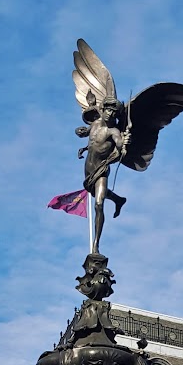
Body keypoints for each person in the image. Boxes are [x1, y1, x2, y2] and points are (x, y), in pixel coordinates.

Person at [81, 96, 130, 253]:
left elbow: (120, 146)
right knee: (95, 192)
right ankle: (118, 199)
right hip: (88, 168)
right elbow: (89, 136)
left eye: (113, 112)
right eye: (108, 110)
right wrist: (81, 134)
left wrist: (125, 143)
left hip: (102, 168)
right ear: (103, 110)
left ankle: (96, 245)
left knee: (99, 204)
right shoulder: (96, 124)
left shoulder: (113, 131)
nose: (110, 113)